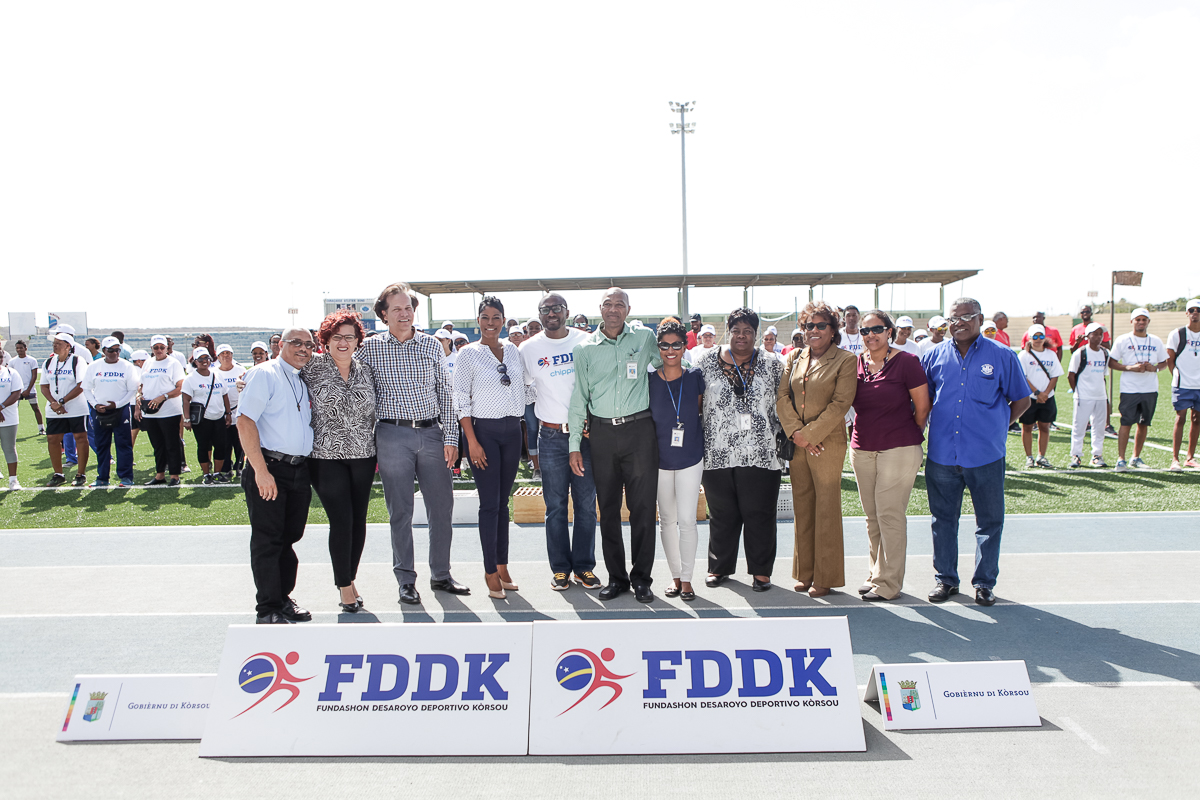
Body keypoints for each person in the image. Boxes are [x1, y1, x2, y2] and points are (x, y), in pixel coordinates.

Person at [355, 282, 467, 606]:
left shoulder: (431, 345)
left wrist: (451, 438)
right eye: (397, 309)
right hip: (392, 435)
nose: (404, 314)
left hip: (432, 434)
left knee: (441, 509)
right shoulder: (370, 348)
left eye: (408, 308)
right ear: (383, 314)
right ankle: (406, 580)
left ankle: (441, 574)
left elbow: (445, 393)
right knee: (400, 512)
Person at [922, 298, 1030, 607]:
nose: (959, 323)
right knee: (943, 520)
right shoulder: (933, 356)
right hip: (942, 454)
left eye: (967, 316)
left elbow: (1022, 400)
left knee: (989, 522)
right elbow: (923, 400)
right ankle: (946, 579)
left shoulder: (1003, 355)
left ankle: (984, 583)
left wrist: (997, 427)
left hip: (986, 455)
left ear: (980, 319)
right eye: (953, 318)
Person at [568, 287, 660, 603]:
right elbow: (579, 398)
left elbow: (668, 364)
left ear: (628, 310)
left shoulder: (644, 338)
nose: (613, 309)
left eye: (619, 304)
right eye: (608, 304)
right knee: (608, 509)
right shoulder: (585, 349)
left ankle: (642, 579)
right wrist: (574, 444)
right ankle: (617, 579)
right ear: (600, 309)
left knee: (643, 509)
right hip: (602, 434)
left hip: (640, 431)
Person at [847, 311, 929, 601]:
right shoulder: (856, 363)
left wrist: (905, 433)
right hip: (862, 448)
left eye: (877, 329)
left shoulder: (907, 362)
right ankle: (875, 574)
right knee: (872, 517)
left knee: (889, 515)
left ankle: (889, 583)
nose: (871, 335)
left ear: (890, 332)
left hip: (899, 448)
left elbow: (922, 407)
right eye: (865, 331)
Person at [520, 293, 600, 591]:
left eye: (556, 308)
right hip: (551, 436)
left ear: (567, 312)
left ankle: (584, 567)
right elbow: (524, 388)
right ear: (539, 314)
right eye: (545, 309)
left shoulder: (586, 341)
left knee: (585, 505)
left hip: (586, 435)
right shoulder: (529, 349)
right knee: (555, 506)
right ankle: (560, 569)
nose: (551, 313)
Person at [238, 328, 317, 625]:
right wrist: (261, 471)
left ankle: (283, 598)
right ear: (281, 344)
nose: (303, 348)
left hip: (298, 470)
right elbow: (245, 421)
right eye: (296, 343)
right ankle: (268, 608)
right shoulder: (264, 374)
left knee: (289, 538)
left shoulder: (301, 377)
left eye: (308, 344)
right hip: (270, 467)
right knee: (268, 540)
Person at [777, 302, 855, 597]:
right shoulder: (794, 356)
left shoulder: (845, 360)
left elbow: (841, 403)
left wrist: (810, 435)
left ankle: (826, 576)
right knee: (803, 506)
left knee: (826, 508)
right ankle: (805, 572)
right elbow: (782, 396)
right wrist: (797, 433)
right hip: (798, 443)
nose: (814, 330)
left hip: (827, 444)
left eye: (821, 325)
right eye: (809, 325)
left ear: (833, 330)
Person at [454, 296, 530, 600]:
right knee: (489, 504)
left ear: (503, 320)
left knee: (503, 503)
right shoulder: (468, 354)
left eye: (496, 317)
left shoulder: (512, 350)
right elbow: (461, 398)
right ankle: (489, 571)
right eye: (485, 317)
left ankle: (502, 565)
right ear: (478, 321)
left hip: (512, 431)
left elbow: (525, 386)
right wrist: (471, 442)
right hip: (484, 433)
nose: (490, 323)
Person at [302, 309, 377, 613]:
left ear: (358, 340)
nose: (343, 342)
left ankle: (350, 578)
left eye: (349, 337)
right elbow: (278, 377)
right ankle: (344, 586)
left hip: (363, 455)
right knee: (342, 520)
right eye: (336, 337)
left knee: (359, 521)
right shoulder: (311, 367)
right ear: (326, 340)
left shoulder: (367, 370)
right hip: (325, 457)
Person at [649, 320, 706, 601]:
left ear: (685, 347)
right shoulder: (649, 381)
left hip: (690, 457)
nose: (670, 350)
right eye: (664, 345)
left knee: (687, 520)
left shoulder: (695, 377)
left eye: (676, 345)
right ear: (658, 347)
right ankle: (674, 577)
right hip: (659, 460)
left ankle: (687, 580)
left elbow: (699, 410)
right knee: (667, 520)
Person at [1110, 307, 1168, 471]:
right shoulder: (1123, 339)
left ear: (1148, 322)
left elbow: (1164, 362)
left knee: (1143, 424)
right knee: (1126, 423)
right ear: (1132, 321)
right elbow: (1112, 362)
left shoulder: (1156, 340)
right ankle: (1121, 459)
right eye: (1138, 319)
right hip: (1129, 389)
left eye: (1144, 320)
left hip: (1150, 389)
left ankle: (1135, 457)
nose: (1141, 322)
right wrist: (1130, 367)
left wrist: (1154, 368)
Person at [81, 337, 139, 487]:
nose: (115, 353)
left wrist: (118, 404)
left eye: (117, 350)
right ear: (104, 351)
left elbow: (132, 390)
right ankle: (102, 478)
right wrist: (95, 405)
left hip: (121, 410)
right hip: (99, 411)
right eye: (111, 350)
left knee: (124, 444)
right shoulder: (94, 366)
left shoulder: (127, 366)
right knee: (102, 445)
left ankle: (126, 477)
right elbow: (86, 388)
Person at [39, 332, 91, 487]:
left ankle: (81, 474)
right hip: (54, 409)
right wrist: (54, 403)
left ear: (68, 346)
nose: (54, 345)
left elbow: (81, 385)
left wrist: (61, 402)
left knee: (80, 438)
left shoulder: (78, 361)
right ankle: (58, 474)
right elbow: (44, 386)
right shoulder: (48, 362)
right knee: (52, 439)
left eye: (58, 343)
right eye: (54, 343)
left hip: (76, 408)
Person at [136, 335, 185, 487]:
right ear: (151, 348)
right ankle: (160, 475)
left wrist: (163, 397)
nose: (159, 350)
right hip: (150, 412)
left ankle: (175, 475)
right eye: (156, 347)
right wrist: (139, 395)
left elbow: (180, 387)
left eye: (162, 347)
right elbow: (142, 384)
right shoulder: (148, 363)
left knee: (172, 443)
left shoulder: (173, 363)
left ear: (167, 348)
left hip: (169, 411)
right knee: (157, 445)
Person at [181, 348, 232, 483]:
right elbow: (186, 400)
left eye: (206, 358)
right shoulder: (190, 379)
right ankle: (206, 474)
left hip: (219, 416)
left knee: (221, 446)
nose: (204, 361)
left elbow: (225, 395)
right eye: (201, 359)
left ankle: (217, 473)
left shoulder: (217, 375)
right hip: (202, 419)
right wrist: (187, 419)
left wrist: (228, 413)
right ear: (195, 361)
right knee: (203, 446)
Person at [1017, 324, 1064, 468]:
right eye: (1035, 336)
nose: (1038, 339)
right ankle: (1029, 457)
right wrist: (1037, 393)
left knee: (1045, 426)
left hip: (1047, 397)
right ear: (1029, 338)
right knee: (1027, 427)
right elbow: (1023, 377)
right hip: (1029, 397)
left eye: (1041, 336)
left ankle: (1041, 456)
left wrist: (1046, 393)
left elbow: (1055, 375)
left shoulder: (1051, 354)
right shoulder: (1024, 355)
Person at [1067, 323, 1110, 469]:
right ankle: (1076, 455)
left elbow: (1103, 375)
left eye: (1100, 334)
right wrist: (1077, 391)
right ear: (1088, 336)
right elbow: (1071, 375)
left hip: (1100, 396)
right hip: (1083, 396)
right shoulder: (1080, 353)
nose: (1098, 337)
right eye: (1095, 334)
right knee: (1079, 426)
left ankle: (1097, 455)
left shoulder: (1105, 353)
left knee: (1099, 427)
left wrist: (1104, 394)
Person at [1167, 300, 1200, 471]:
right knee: (1180, 418)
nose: (1195, 313)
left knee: (1197, 419)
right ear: (1187, 313)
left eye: (1198, 310)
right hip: (1182, 384)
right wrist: (1178, 377)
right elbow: (1170, 359)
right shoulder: (1177, 334)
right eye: (1191, 310)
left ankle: (1190, 457)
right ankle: (1175, 459)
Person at [215, 344, 246, 478]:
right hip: (222, 413)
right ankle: (226, 468)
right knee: (225, 443)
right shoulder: (214, 372)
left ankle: (239, 468)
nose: (226, 356)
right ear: (218, 357)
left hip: (239, 411)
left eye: (228, 353)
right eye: (223, 354)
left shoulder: (240, 370)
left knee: (240, 443)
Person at [0, 358, 24, 490]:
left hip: (9, 417)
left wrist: (1, 407)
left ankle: (13, 480)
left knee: (9, 447)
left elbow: (16, 393)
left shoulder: (11, 373)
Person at [11, 340, 44, 435]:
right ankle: (11, 431)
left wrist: (28, 390)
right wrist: (16, 390)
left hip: (30, 390)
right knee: (13, 410)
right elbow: (11, 376)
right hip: (16, 390)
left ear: (25, 348)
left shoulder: (32, 360)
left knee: (36, 408)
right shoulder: (12, 361)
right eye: (17, 348)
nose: (19, 350)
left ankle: (41, 429)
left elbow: (34, 376)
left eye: (21, 348)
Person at [129, 349, 148, 452]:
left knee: (133, 431)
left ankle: (128, 456)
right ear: (139, 361)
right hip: (138, 404)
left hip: (132, 403)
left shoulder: (131, 369)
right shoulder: (140, 371)